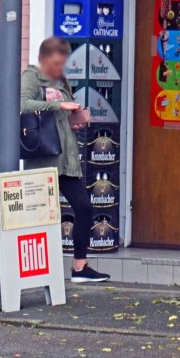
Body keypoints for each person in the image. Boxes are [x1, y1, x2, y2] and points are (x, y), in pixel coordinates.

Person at [20, 36, 110, 283]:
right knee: (42, 216)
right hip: (44, 158)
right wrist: (60, 105)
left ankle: (80, 267)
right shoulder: (32, 77)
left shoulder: (61, 80)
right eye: (56, 62)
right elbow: (23, 105)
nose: (60, 67)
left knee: (83, 207)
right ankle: (35, 270)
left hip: (67, 157)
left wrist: (76, 118)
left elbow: (62, 117)